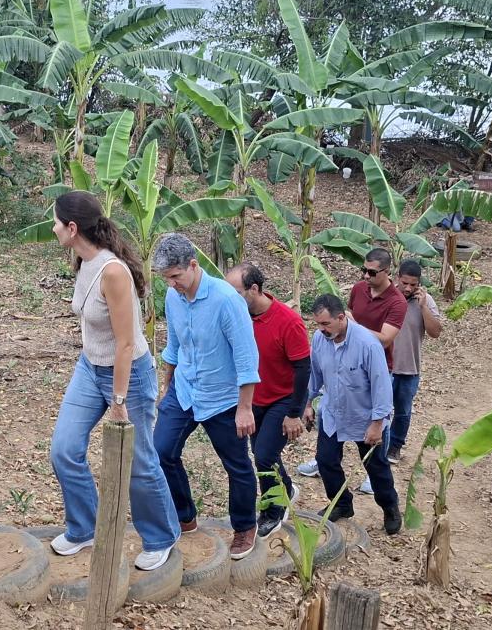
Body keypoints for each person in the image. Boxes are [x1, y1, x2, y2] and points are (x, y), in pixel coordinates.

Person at [46, 191, 180, 571]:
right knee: (64, 448)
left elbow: (125, 343)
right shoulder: (82, 259)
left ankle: (160, 537)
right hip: (90, 367)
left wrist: (118, 400)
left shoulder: (113, 272)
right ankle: (84, 527)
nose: (53, 227)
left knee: (139, 461)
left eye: (57, 221)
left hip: (129, 375)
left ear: (73, 229)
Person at [151, 234, 262, 560]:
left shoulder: (227, 301)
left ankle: (244, 527)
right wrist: (167, 383)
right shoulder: (174, 297)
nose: (171, 284)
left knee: (237, 465)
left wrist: (245, 408)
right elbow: (174, 343)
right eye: (166, 278)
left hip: (223, 398)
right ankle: (185, 516)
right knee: (161, 450)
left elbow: (246, 357)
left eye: (175, 276)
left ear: (194, 265)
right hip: (184, 389)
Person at [297, 247, 406, 483]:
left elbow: (385, 339)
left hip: (373, 365)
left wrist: (354, 330)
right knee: (328, 451)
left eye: (371, 272)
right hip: (340, 362)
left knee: (374, 456)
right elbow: (315, 372)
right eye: (363, 270)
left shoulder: (397, 302)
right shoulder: (358, 290)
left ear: (387, 272)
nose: (365, 276)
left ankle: (377, 474)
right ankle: (336, 489)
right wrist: (307, 401)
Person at [304, 294, 401, 535]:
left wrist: (378, 423)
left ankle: (390, 507)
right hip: (332, 413)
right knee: (326, 461)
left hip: (364, 417)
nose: (321, 329)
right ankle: (341, 504)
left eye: (326, 324)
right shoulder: (319, 339)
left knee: (376, 467)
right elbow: (314, 372)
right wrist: (306, 402)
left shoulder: (367, 344)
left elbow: (381, 385)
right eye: (318, 324)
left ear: (341, 318)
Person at [225, 263, 310, 537]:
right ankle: (285, 489)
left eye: (236, 292)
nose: (230, 298)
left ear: (254, 289)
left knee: (264, 455)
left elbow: (303, 368)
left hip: (282, 399)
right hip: (252, 399)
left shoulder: (288, 321)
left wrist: (295, 412)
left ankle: (274, 509)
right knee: (261, 455)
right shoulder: (237, 318)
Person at [390, 259, 442, 460]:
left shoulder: (426, 301)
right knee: (381, 411)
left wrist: (423, 307)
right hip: (385, 367)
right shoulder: (388, 297)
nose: (408, 288)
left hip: (410, 367)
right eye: (405, 283)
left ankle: (395, 446)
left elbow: (435, 332)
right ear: (397, 278)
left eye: (413, 284)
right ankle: (378, 446)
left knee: (403, 412)